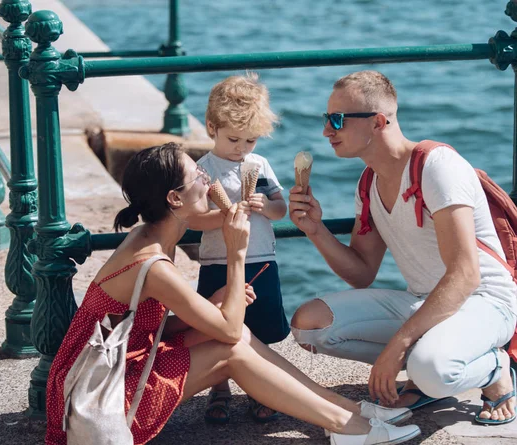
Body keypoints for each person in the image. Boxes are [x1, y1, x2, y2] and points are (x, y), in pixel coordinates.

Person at [45, 142, 421, 445]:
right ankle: (347, 426)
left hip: (122, 366)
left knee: (237, 335)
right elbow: (225, 332)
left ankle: (349, 412)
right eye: (197, 175)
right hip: (104, 397)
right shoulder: (153, 263)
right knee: (231, 348)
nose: (207, 179)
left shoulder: (151, 239)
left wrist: (212, 303)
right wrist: (236, 252)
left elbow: (148, 327)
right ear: (175, 200)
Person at [288, 70, 517, 424]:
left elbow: (466, 275)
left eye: (337, 120)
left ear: (378, 122)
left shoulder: (437, 167)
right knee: (310, 326)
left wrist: (399, 346)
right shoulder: (369, 182)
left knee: (432, 370)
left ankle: (495, 368)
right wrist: (315, 230)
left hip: (485, 302)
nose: (326, 131)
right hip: (427, 301)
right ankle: (431, 364)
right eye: (326, 119)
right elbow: (362, 272)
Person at [187, 73, 289, 423]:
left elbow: (280, 209)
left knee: (261, 327)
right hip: (218, 259)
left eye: (250, 140)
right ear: (211, 127)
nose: (241, 148)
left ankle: (259, 389)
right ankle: (219, 387)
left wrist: (266, 206)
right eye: (234, 139)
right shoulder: (203, 169)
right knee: (218, 328)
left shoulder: (259, 165)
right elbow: (195, 219)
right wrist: (223, 217)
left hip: (260, 258)